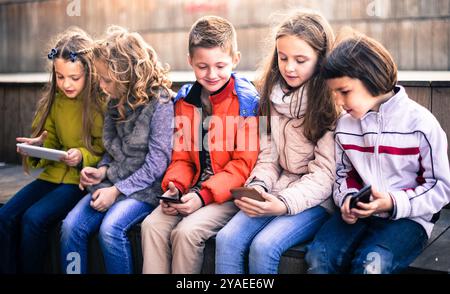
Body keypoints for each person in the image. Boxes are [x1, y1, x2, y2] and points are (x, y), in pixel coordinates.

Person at [305, 32, 450, 274]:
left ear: (371, 79)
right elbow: (344, 174)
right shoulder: (346, 126)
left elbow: (440, 187)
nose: (338, 101)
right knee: (318, 256)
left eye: (344, 91)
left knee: (371, 263)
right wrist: (348, 200)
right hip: (359, 216)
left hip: (409, 218)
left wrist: (393, 203)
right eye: (334, 93)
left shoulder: (421, 124)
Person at [215, 10, 338, 274]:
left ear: (321, 60)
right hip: (277, 188)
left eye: (300, 60)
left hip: (315, 200)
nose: (289, 67)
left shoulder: (331, 103)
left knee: (264, 246)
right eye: (283, 58)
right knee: (227, 239)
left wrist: (282, 203)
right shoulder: (269, 96)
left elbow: (325, 176)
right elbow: (268, 157)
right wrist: (258, 186)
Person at [140, 15, 260, 274]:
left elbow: (243, 165)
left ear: (235, 59)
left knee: (186, 232)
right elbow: (181, 157)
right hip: (190, 189)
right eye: (202, 66)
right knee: (151, 226)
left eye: (220, 65)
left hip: (228, 194)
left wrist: (203, 196)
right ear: (190, 62)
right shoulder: (186, 101)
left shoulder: (247, 104)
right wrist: (174, 187)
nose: (212, 74)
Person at [60, 26, 174, 274]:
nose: (101, 86)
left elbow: (157, 164)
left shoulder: (161, 103)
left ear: (129, 76)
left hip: (146, 190)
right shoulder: (115, 100)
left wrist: (116, 190)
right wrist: (101, 171)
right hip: (113, 183)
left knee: (111, 228)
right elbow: (112, 149)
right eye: (100, 78)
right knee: (71, 227)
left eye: (106, 80)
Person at [0, 27, 105, 273]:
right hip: (52, 176)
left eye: (73, 78)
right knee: (5, 217)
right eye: (60, 77)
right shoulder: (55, 100)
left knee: (33, 219)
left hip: (78, 182)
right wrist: (37, 147)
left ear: (89, 73)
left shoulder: (101, 102)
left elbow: (106, 148)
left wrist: (82, 156)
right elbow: (52, 141)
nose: (65, 84)